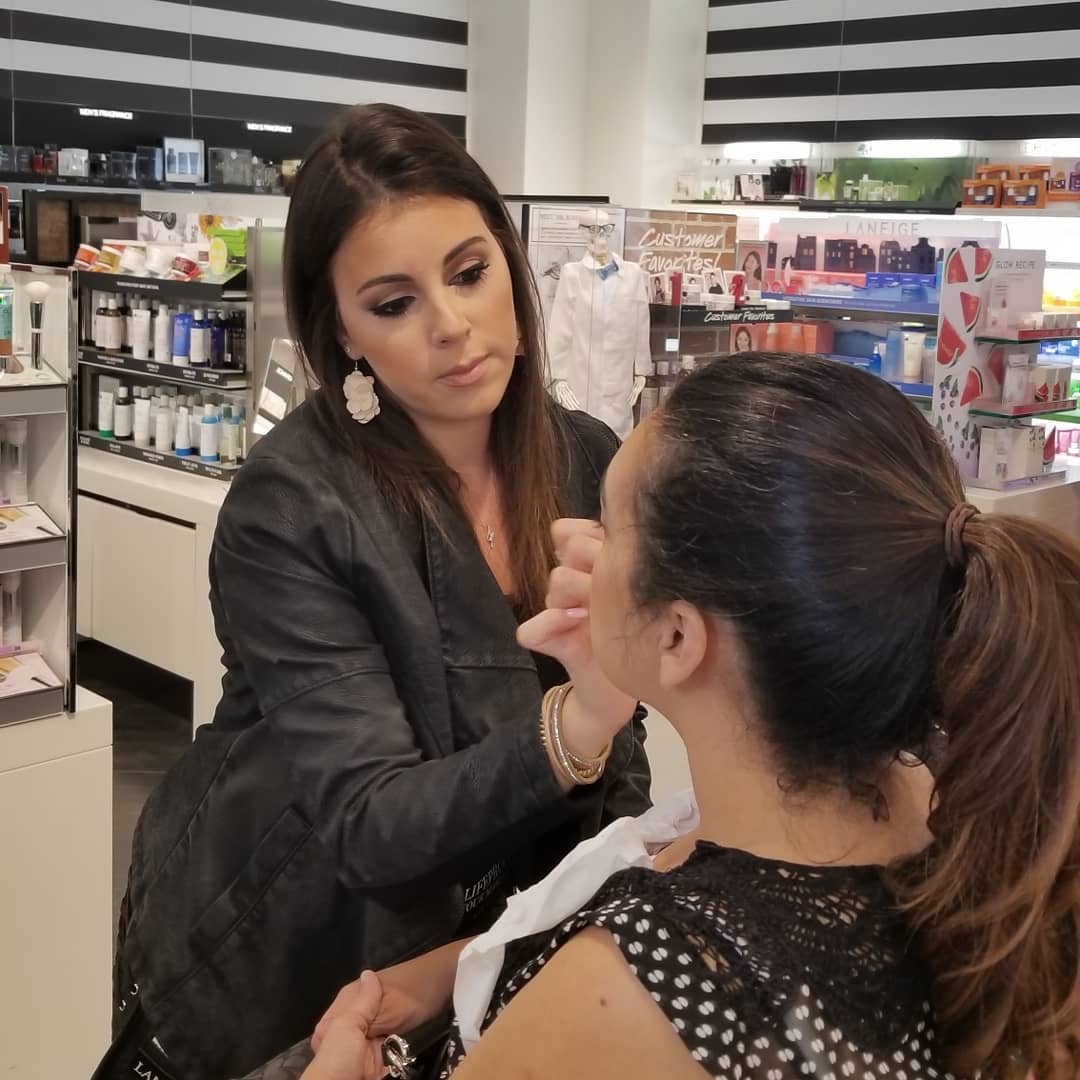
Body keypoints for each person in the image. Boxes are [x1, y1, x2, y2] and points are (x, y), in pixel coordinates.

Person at [303, 353, 1080, 1080]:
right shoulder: (952, 803)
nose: (576, 545)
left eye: (608, 526)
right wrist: (460, 968)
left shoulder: (629, 991)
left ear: (678, 637)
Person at [94, 103, 651, 1080]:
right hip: (284, 951)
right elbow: (369, 822)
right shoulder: (293, 504)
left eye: (470, 274)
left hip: (478, 962)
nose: (452, 327)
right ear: (343, 331)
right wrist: (576, 723)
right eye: (393, 304)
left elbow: (621, 758)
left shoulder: (587, 459)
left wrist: (615, 892)